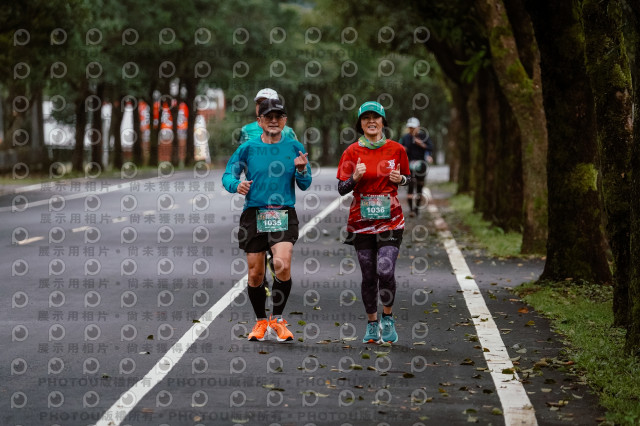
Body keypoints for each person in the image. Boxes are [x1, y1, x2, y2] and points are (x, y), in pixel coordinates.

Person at [223, 98, 311, 342]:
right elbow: (228, 174)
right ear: (259, 121)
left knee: (282, 264)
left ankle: (278, 320)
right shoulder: (248, 148)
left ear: (285, 120)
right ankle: (261, 321)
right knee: (255, 274)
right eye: (268, 117)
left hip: (283, 213)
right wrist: (236, 185)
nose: (273, 121)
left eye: (278, 117)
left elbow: (305, 183)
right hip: (254, 213)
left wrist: (302, 170)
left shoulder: (294, 147)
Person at [336, 101, 411, 344]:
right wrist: (355, 178)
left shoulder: (397, 149)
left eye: (375, 117)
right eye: (366, 117)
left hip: (391, 220)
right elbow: (342, 188)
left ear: (382, 122)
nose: (371, 121)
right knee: (369, 275)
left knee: (385, 270)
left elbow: (408, 178)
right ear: (360, 123)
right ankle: (371, 323)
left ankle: (387, 318)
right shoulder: (351, 152)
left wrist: (401, 180)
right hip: (361, 222)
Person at [239, 88, 298, 281]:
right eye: (259, 103)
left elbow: (295, 157)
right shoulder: (247, 130)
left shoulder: (287, 131)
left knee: (279, 253)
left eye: (267, 101)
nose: (262, 105)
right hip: (256, 197)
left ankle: (275, 262)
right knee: (256, 263)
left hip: (281, 200)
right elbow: (241, 159)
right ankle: (261, 275)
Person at [399, 117, 434, 217]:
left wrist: (421, 144)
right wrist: (403, 149)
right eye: (410, 127)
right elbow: (399, 148)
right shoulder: (405, 138)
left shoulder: (423, 136)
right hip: (409, 164)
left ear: (418, 127)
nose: (412, 129)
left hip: (421, 165)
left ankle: (417, 209)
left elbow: (431, 147)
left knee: (420, 186)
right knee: (410, 185)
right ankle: (411, 210)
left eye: (413, 127)